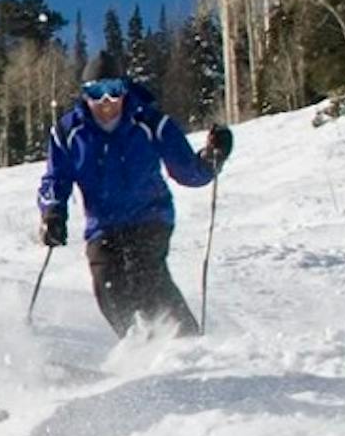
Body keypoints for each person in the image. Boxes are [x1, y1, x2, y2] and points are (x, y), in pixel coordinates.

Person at [37, 75, 231, 337]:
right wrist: (53, 211)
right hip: (103, 227)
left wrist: (211, 159)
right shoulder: (70, 131)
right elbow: (56, 178)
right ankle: (138, 346)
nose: (106, 101)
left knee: (146, 274)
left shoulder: (149, 121)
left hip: (150, 216)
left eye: (113, 91)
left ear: (125, 92)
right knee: (107, 284)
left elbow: (187, 171)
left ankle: (185, 340)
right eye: (96, 92)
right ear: (84, 95)